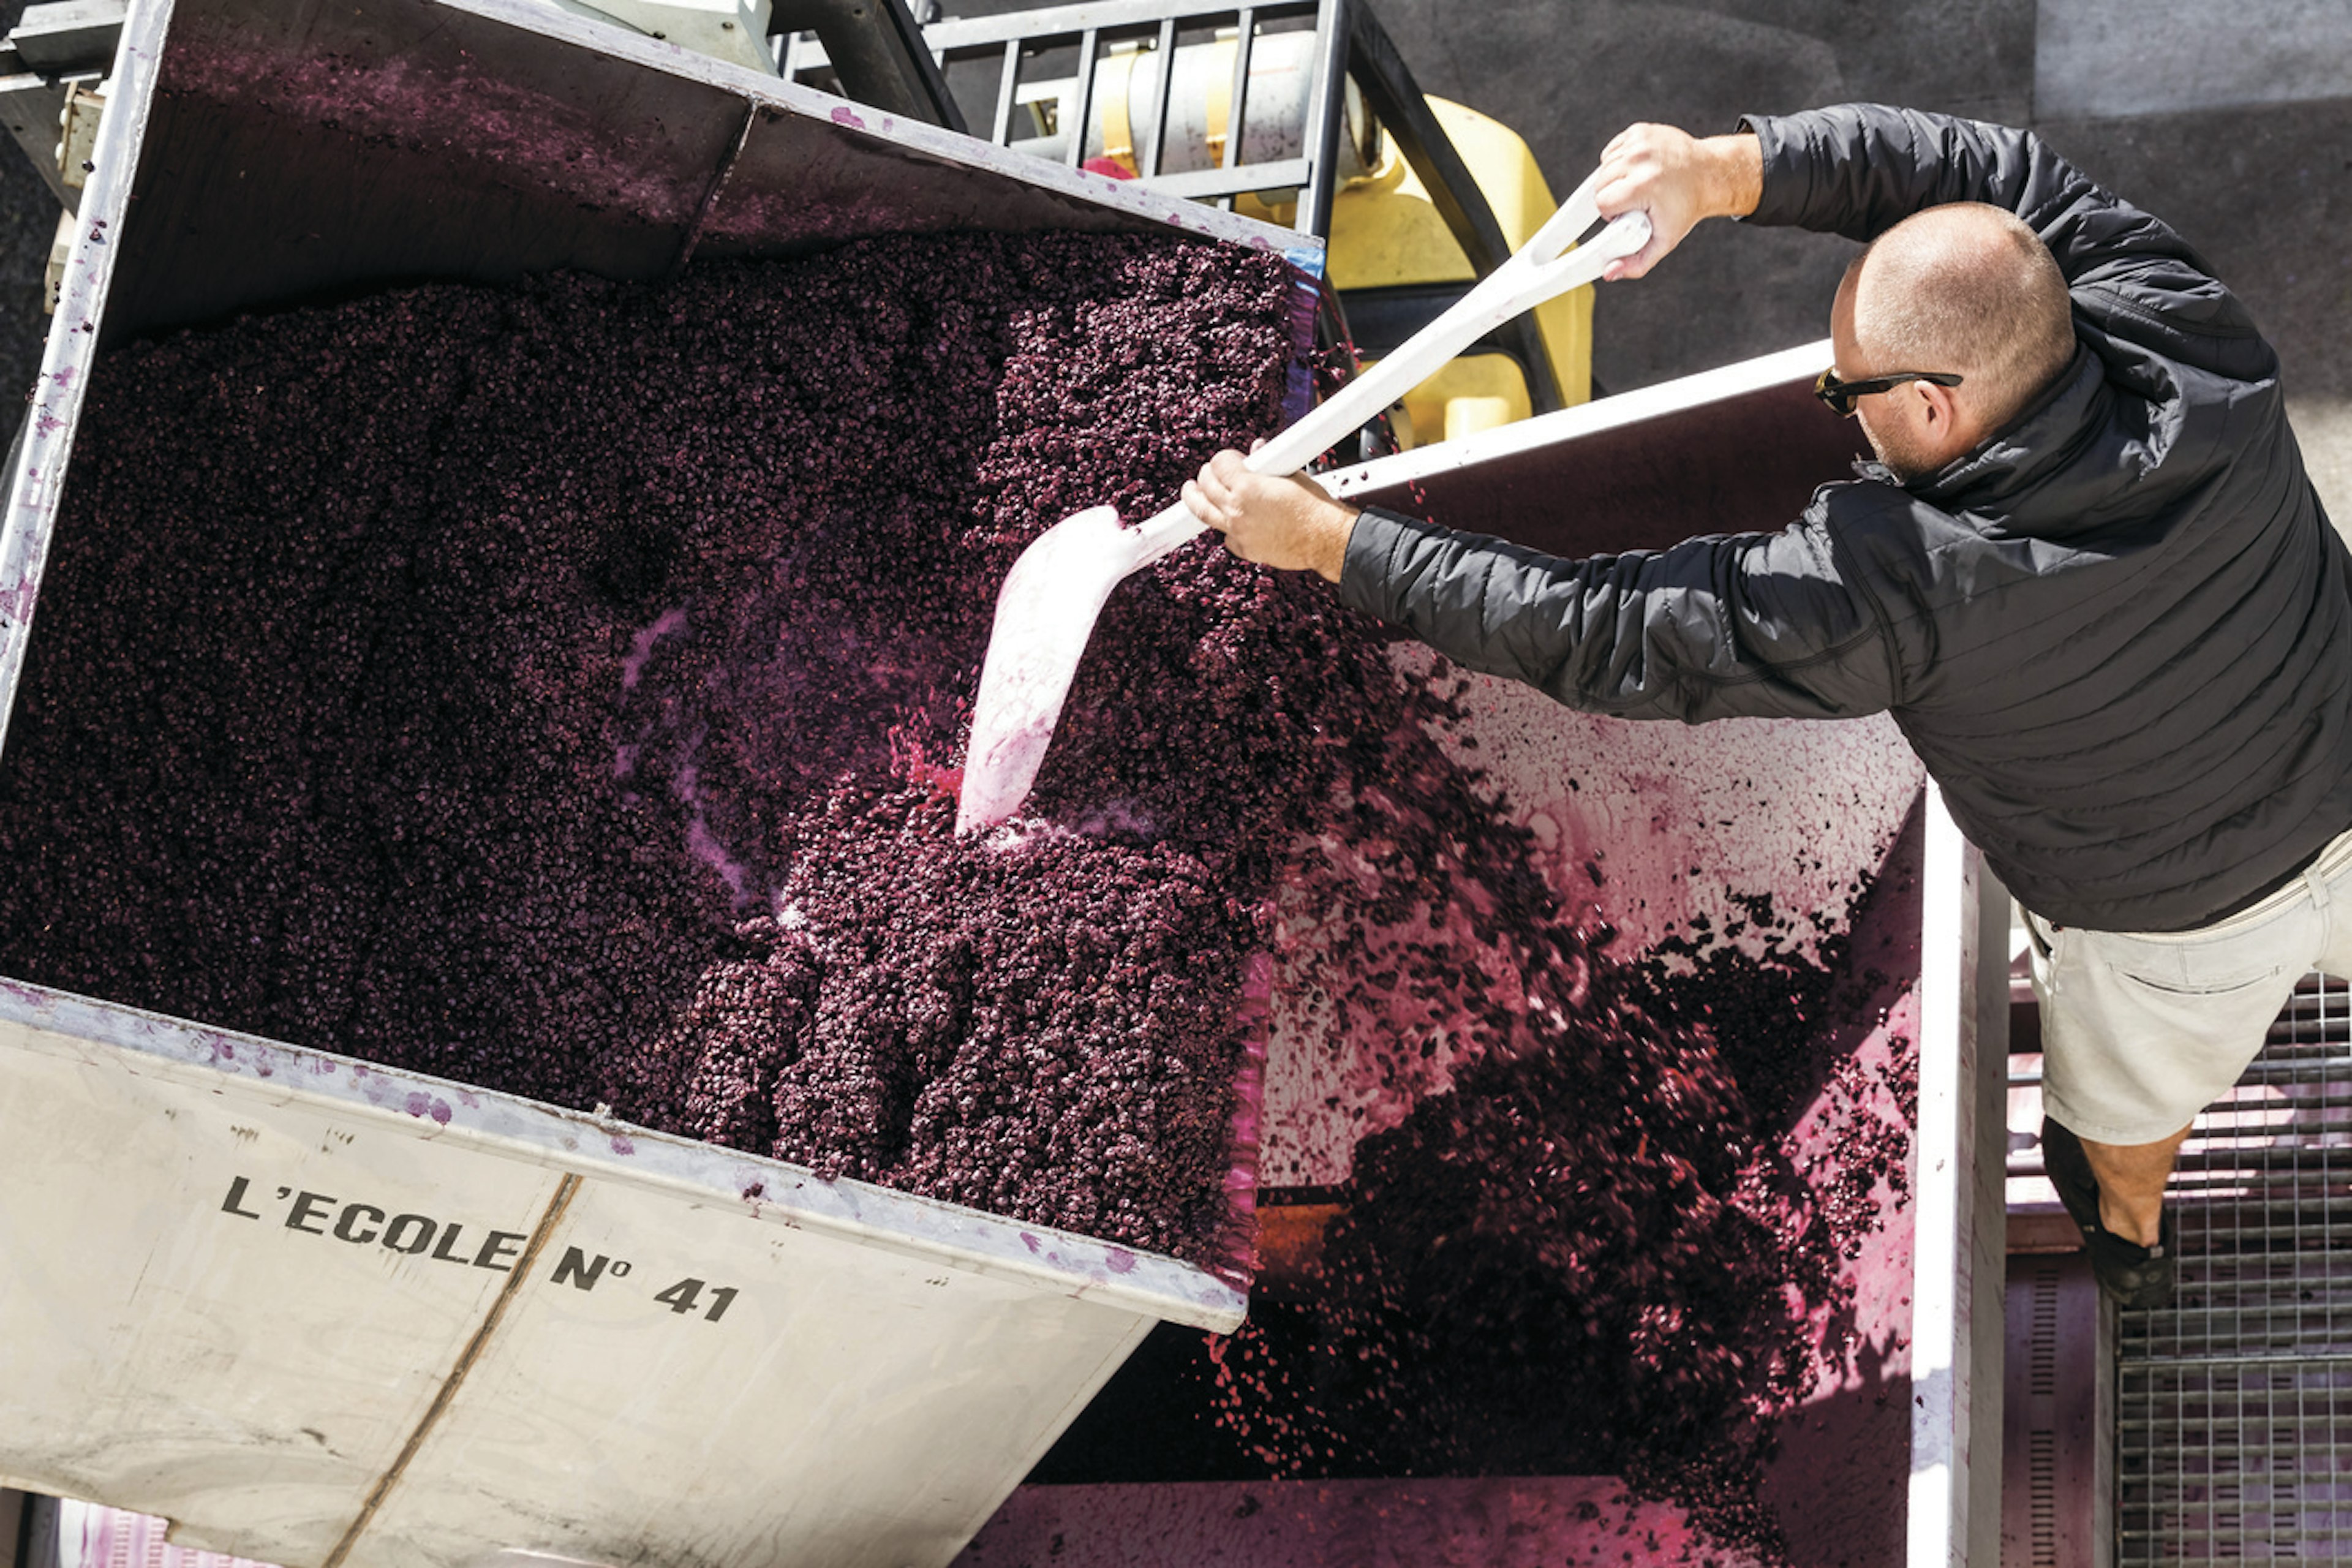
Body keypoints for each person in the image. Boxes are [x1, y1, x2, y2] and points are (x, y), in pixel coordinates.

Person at [1179, 104, 2352, 1310]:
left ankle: (2132, 1240)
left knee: (2125, 1117)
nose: (1838, 406)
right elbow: (1992, 171)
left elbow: (1605, 630)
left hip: (2187, 932)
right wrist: (1716, 172)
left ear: (1936, 407)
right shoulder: (2180, 325)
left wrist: (1334, 543)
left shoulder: (1900, 587)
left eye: (1848, 396)